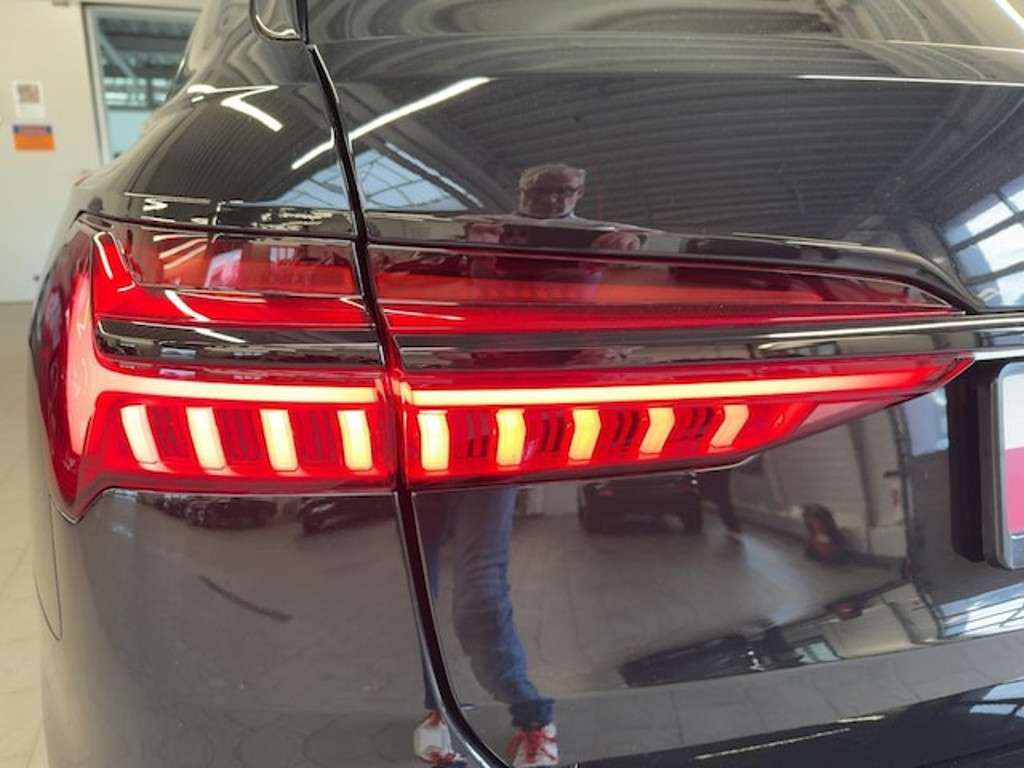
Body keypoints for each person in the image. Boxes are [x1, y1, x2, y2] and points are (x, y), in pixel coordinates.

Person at [414, 489, 557, 768]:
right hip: (405, 467)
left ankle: (534, 718)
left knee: (480, 594)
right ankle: (439, 708)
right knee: (417, 588)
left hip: (480, 469)